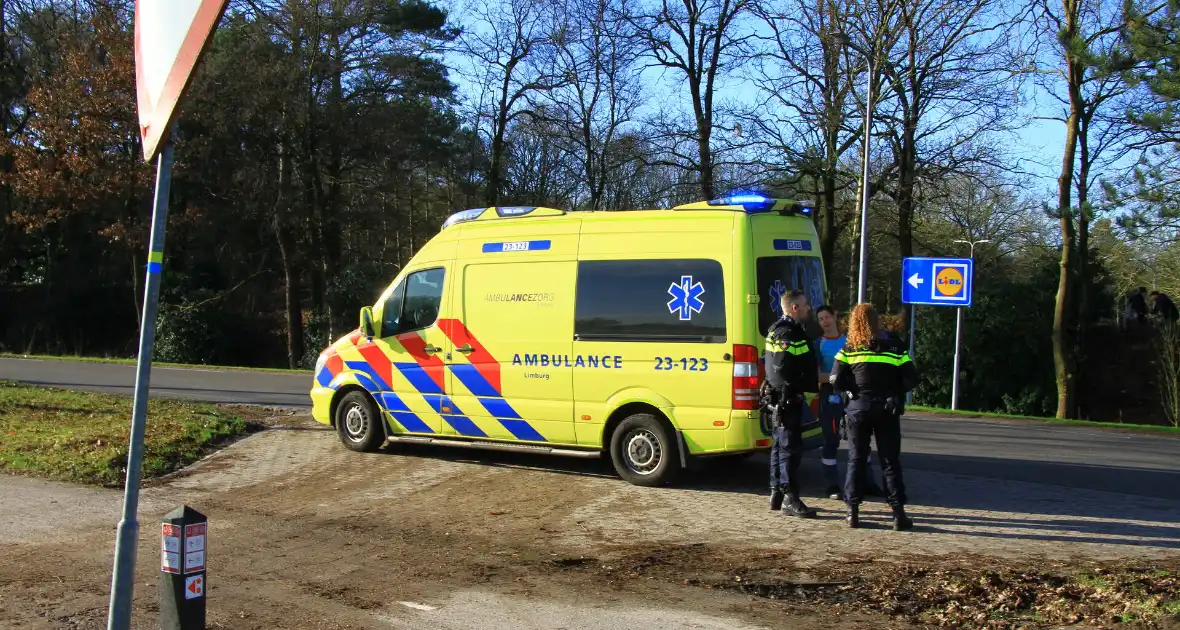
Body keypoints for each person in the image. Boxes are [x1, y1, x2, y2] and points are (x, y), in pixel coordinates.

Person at [830, 303, 920, 530]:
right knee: (890, 462)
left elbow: (835, 379)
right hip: (886, 410)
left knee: (856, 459)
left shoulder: (849, 348)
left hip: (858, 409)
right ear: (876, 320)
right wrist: (894, 393)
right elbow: (912, 378)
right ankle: (898, 514)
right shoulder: (895, 346)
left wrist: (852, 390)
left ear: (854, 322)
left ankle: (852, 513)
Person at [763, 289, 821, 518]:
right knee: (790, 449)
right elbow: (781, 368)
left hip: (782, 398)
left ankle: (776, 493)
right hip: (787, 399)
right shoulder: (788, 333)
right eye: (806, 304)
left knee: (779, 447)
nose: (809, 308)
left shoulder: (779, 329)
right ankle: (790, 497)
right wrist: (791, 390)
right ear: (795, 307)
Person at [814, 305, 879, 500]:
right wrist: (837, 378)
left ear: (835, 317)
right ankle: (832, 485)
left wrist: (843, 379)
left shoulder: (850, 341)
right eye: (820, 319)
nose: (824, 321)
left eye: (826, 317)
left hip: (853, 395)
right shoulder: (817, 344)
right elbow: (818, 376)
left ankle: (867, 482)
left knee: (859, 440)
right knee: (831, 440)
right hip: (829, 396)